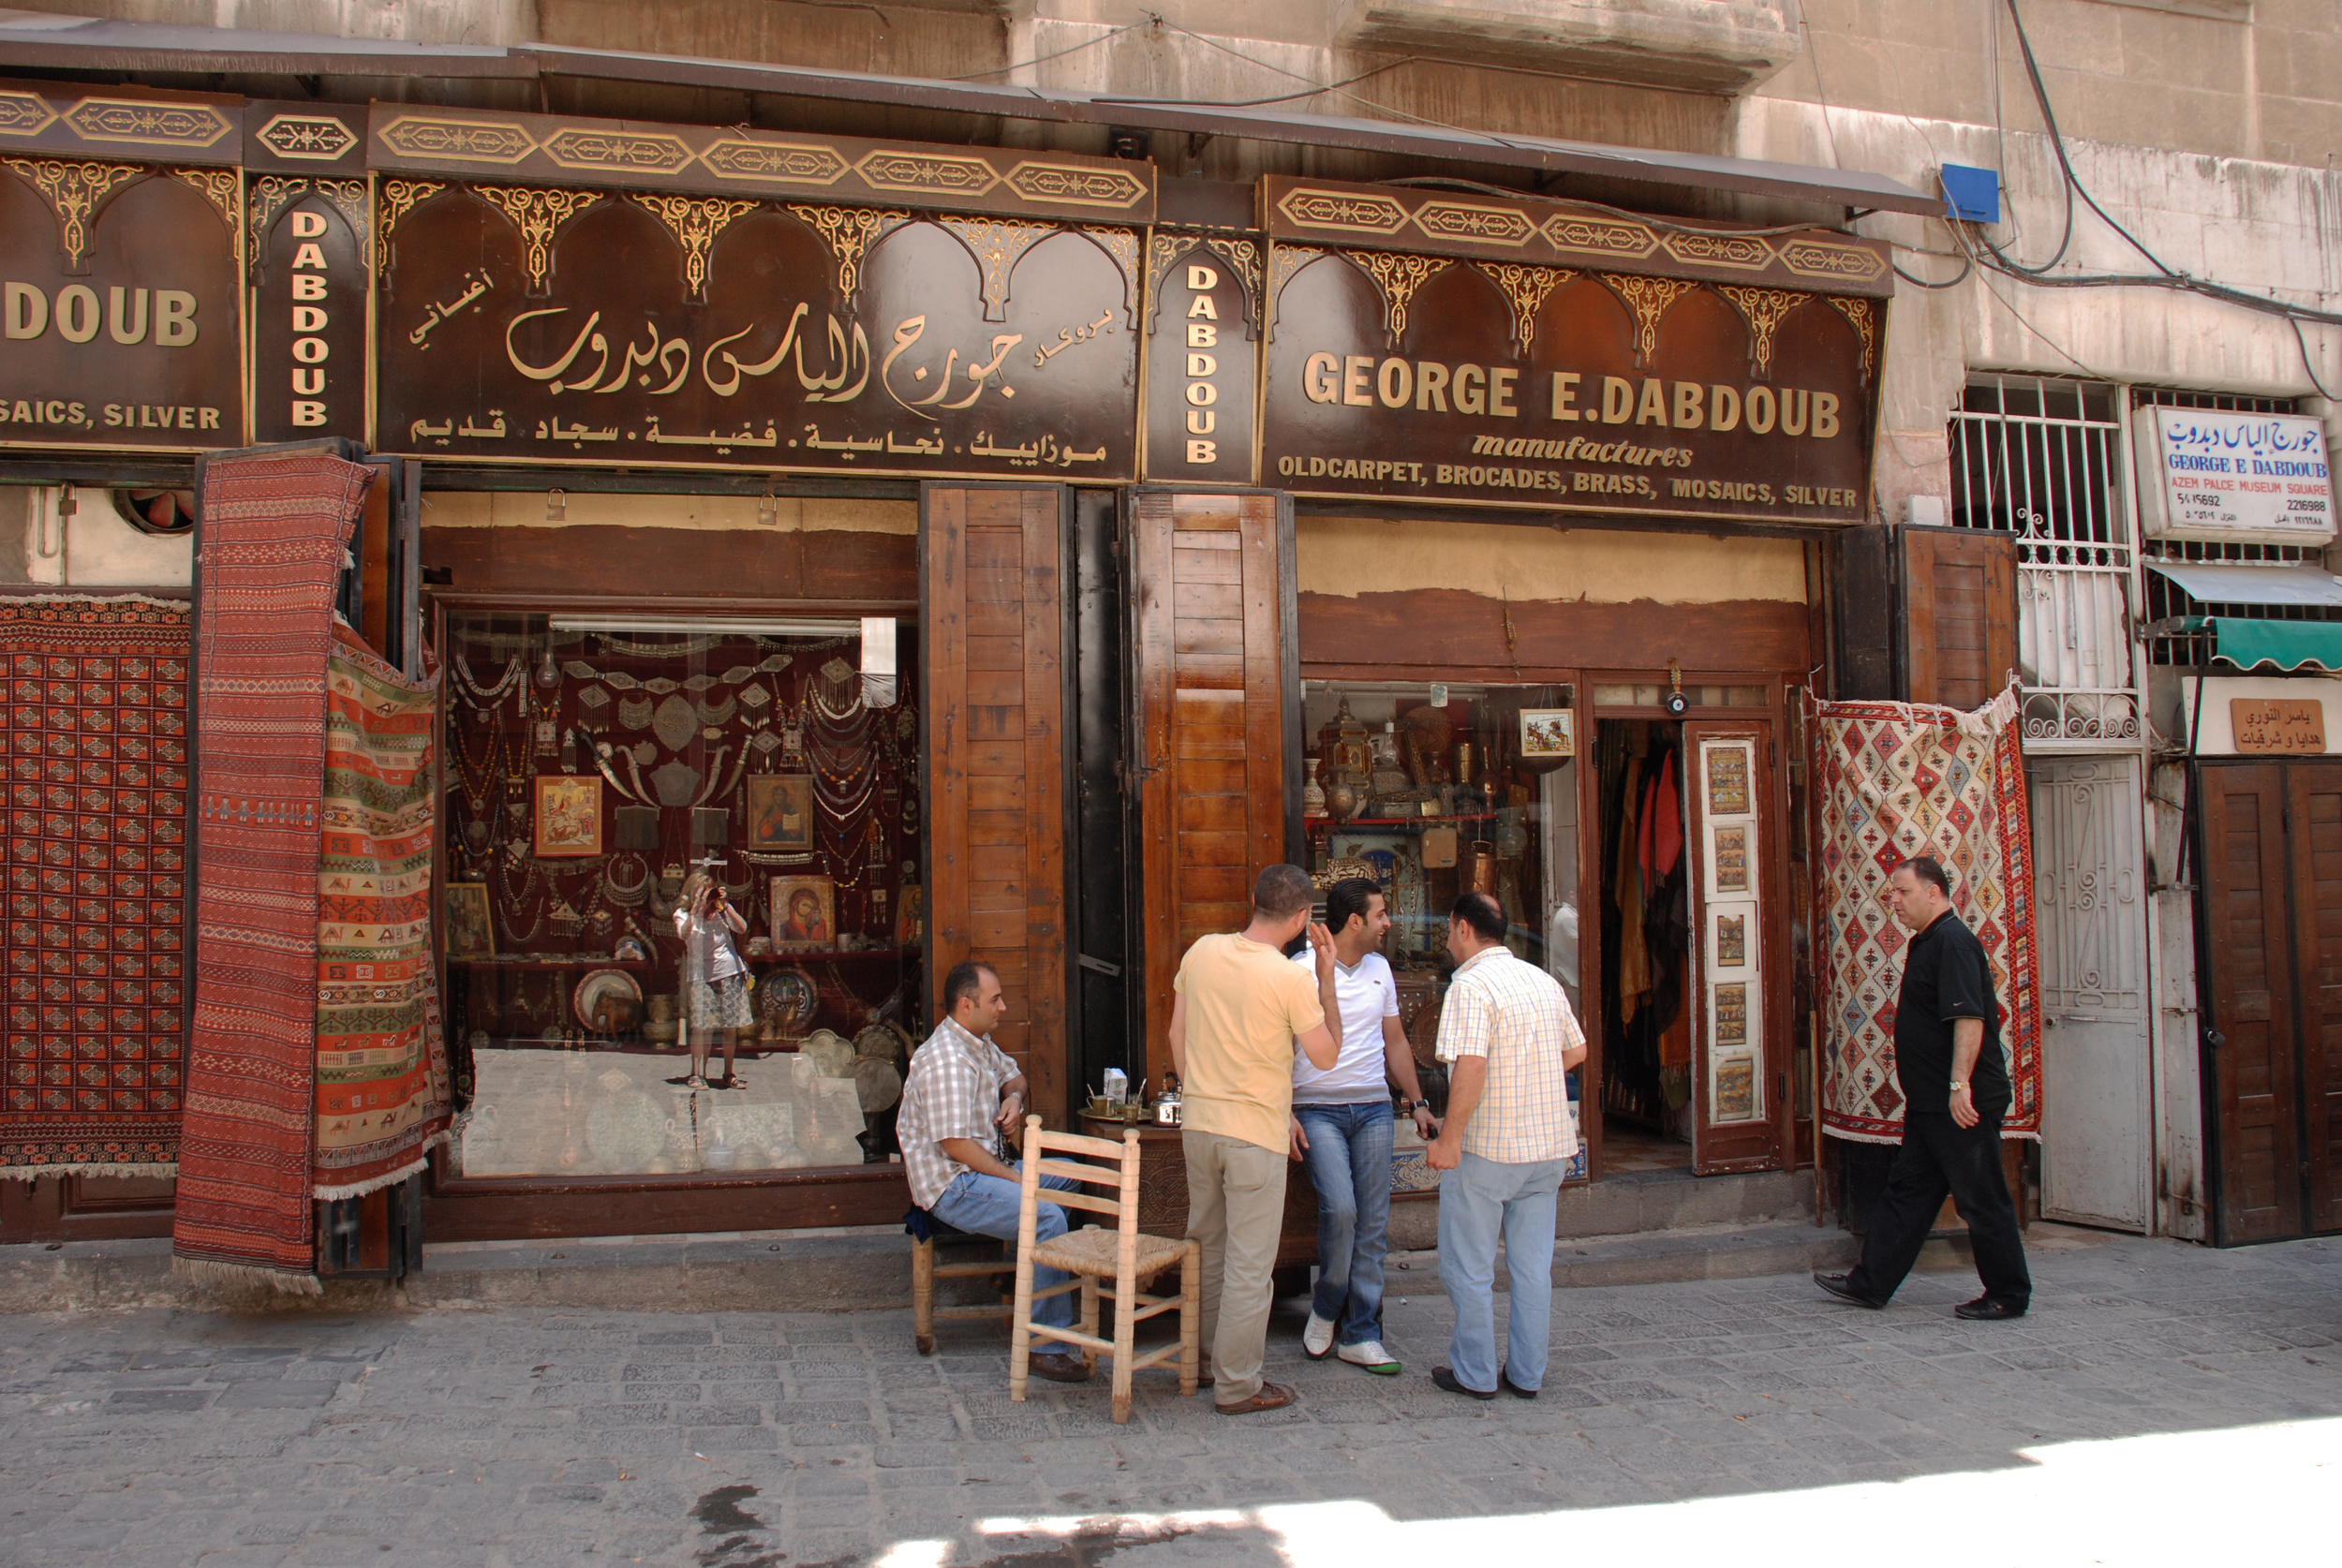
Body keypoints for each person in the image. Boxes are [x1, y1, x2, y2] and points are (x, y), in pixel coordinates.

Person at [1816, 856, 2031, 1320]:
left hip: (1959, 1104)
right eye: (1892, 893)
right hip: (1932, 1102)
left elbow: (1969, 1020)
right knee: (1908, 1191)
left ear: (1933, 892)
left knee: (1981, 1198)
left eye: (1902, 892)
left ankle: (2008, 1294)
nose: (1893, 901)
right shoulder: (1928, 941)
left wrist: (1959, 1086)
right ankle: (1870, 1283)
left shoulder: (1952, 943)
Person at [1168, 864, 1342, 1415]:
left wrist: (1197, 1089)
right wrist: (1327, 977)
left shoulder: (1202, 951)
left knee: (1207, 1251)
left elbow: (1177, 1033)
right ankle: (1237, 1383)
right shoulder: (1291, 976)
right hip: (1254, 1133)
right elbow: (1327, 1056)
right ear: (1301, 918)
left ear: (1252, 900)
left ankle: (1200, 1362)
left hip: (1200, 1124)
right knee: (1249, 1266)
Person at [896, 959, 1091, 1383]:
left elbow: (1015, 1077)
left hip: (986, 1167)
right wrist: (1020, 1181)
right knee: (1046, 1215)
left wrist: (1014, 1103)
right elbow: (958, 1148)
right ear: (967, 1005)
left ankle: (1019, 1273)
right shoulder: (947, 1061)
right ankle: (1047, 1346)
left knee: (1072, 1174)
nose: (1003, 1006)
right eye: (995, 999)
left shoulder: (978, 1041)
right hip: (955, 1185)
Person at [1427, 890, 1586, 1400]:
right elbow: (1577, 1049)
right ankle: (1526, 1373)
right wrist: (1528, 1074)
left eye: (1450, 930)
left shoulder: (1469, 986)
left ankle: (1474, 1374)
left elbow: (1470, 1065)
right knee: (1532, 1267)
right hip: (1547, 1149)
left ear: (1463, 928)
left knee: (1469, 1267)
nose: (1449, 940)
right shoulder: (1540, 980)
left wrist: (1449, 1140)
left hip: (1489, 1149)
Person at [1287, 878, 1438, 1377]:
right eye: (1380, 915)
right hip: (1317, 1109)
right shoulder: (1299, 969)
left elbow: (1394, 1042)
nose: (1388, 923)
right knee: (1342, 1210)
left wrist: (1416, 1102)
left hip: (1373, 1107)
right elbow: (1277, 1048)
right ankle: (1329, 1302)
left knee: (1374, 1223)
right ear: (1354, 921)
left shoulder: (1381, 969)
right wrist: (1282, 1110)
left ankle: (1363, 1334)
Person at [674, 867, 750, 1089]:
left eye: (710, 890)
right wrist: (697, 907)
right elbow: (686, 934)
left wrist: (724, 905)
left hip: (729, 972)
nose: (708, 896)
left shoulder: (721, 910)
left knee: (730, 1026)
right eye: (703, 892)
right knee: (702, 1028)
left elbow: (742, 928)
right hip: (701, 976)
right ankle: (698, 1074)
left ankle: (728, 1072)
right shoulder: (683, 914)